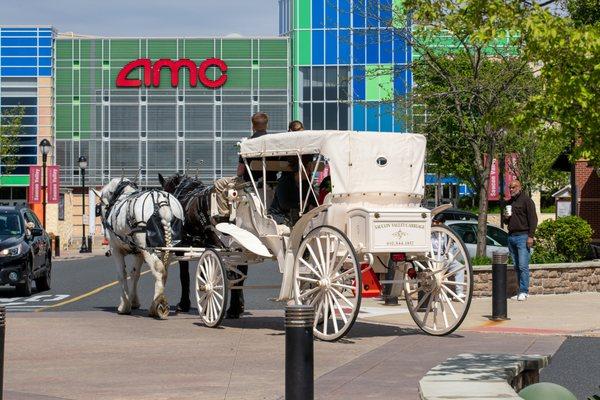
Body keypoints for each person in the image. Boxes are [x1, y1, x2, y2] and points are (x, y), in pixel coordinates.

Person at [228, 112, 271, 319]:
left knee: (225, 194)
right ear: (266, 125)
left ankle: (229, 229)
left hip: (253, 191)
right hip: (273, 189)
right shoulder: (274, 142)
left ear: (252, 125)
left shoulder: (248, 145)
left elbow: (239, 171)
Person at [504, 179, 538, 301]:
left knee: (523, 266)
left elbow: (533, 219)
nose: (511, 190)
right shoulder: (510, 202)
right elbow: (506, 221)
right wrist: (506, 217)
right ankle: (520, 291)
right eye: (510, 188)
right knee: (516, 266)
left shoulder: (527, 201)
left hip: (523, 237)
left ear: (519, 187)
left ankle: (524, 291)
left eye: (513, 187)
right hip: (511, 236)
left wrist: (531, 236)